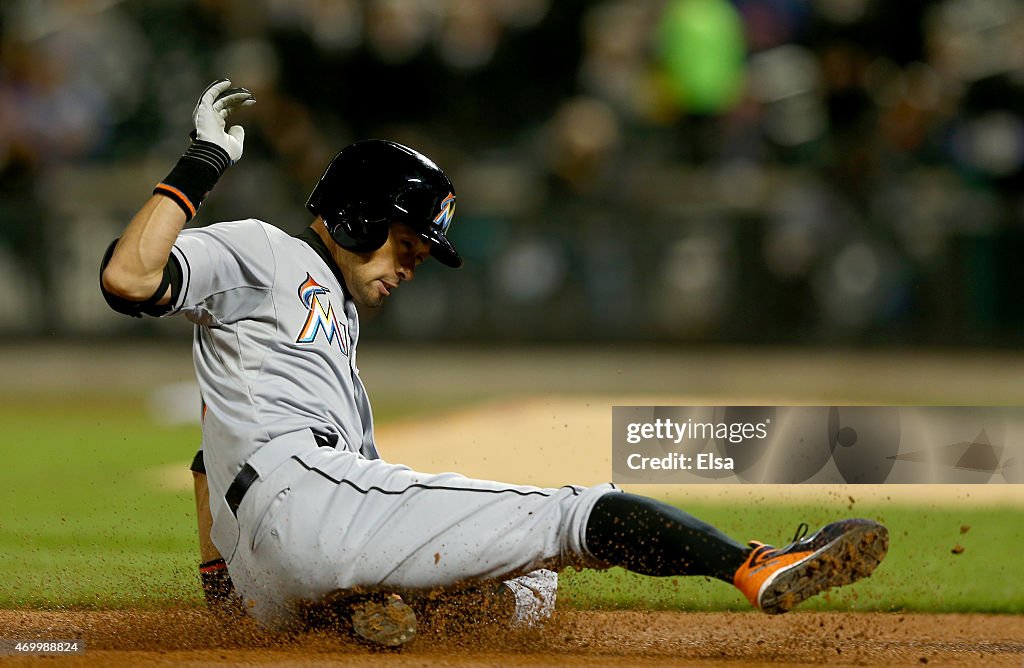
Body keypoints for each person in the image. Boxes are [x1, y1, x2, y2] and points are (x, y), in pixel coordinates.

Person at [100, 80, 889, 647]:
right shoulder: (265, 249)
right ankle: (755, 564)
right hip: (304, 500)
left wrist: (227, 595)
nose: (411, 266)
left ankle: (363, 616)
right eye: (406, 243)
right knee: (574, 513)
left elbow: (210, 462)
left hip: (268, 569)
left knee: (529, 588)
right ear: (358, 215)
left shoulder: (320, 325)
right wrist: (202, 161)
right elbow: (129, 279)